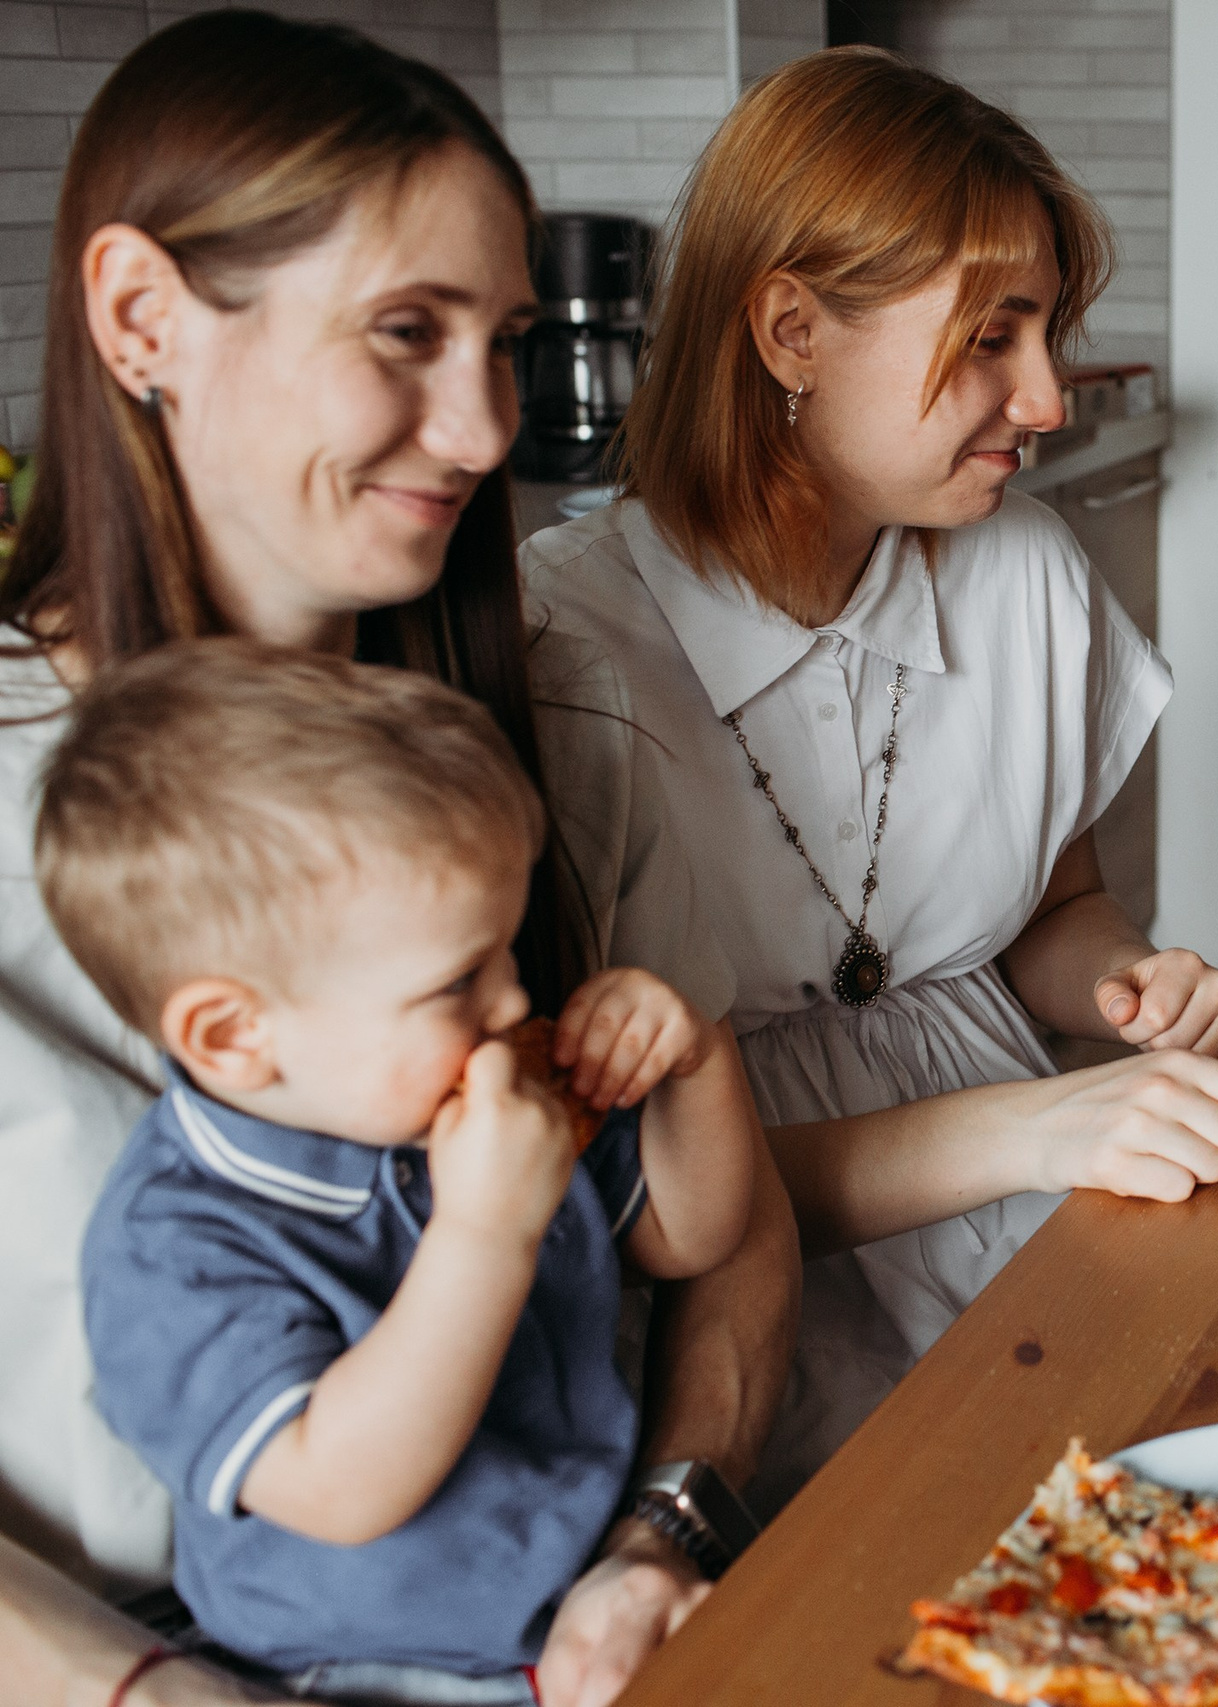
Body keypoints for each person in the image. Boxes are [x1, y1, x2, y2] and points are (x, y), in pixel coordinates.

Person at [0, 15, 798, 1705]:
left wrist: (660, 1537)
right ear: (142, 317)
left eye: (504, 341)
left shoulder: (560, 722)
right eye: (406, 332)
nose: (486, 427)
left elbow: (725, 1239)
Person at [519, 47, 1218, 1500]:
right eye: (995, 335)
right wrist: (1035, 1123)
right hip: (727, 1328)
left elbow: (1055, 907)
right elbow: (636, 1196)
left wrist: (1124, 979)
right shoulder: (566, 646)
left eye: (1047, 333)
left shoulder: (1025, 569)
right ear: (792, 332)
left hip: (1024, 1216)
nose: (1047, 399)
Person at [50, 644, 759, 1704]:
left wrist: (694, 1067)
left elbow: (692, 1235)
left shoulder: (478, 1104)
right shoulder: (172, 1243)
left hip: (597, 1593)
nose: (513, 1002)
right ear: (235, 1035)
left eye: (505, 952)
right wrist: (485, 1232)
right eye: (459, 978)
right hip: (363, 1672)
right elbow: (342, 1486)